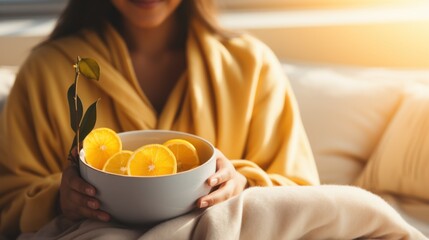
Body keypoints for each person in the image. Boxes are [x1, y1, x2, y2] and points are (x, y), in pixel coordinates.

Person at [0, 0, 425, 239]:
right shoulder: (50, 72)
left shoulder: (251, 65)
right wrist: (61, 198)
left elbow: (300, 194)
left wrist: (240, 181)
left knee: (358, 206)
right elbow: (9, 201)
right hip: (101, 232)